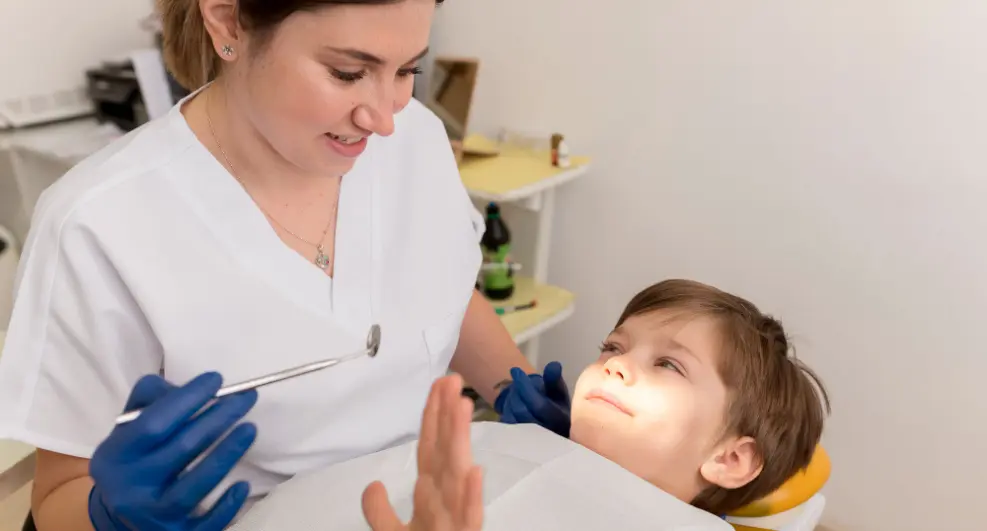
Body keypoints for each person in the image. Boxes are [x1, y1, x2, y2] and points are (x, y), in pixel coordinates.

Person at [0, 1, 571, 530]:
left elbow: (439, 287)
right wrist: (110, 517)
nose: (384, 118)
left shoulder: (416, 139)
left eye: (407, 72)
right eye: (349, 73)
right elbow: (55, 498)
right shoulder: (97, 223)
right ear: (227, 21)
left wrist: (509, 383)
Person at [226, 279, 831, 530]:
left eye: (667, 364)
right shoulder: (507, 441)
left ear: (730, 458)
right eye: (614, 346)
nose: (616, 362)